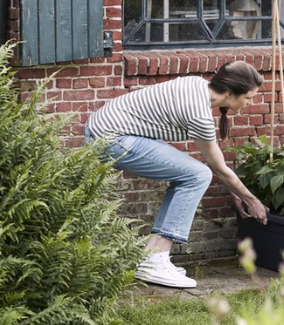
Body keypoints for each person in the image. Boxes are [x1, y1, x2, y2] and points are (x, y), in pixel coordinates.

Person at [84, 61, 270, 288]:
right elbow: (218, 168)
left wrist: (237, 194)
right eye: (249, 98)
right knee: (198, 175)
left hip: (106, 131)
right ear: (230, 94)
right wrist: (252, 200)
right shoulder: (198, 114)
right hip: (111, 139)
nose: (250, 103)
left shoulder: (196, 85)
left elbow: (218, 166)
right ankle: (155, 258)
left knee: (193, 174)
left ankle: (151, 256)